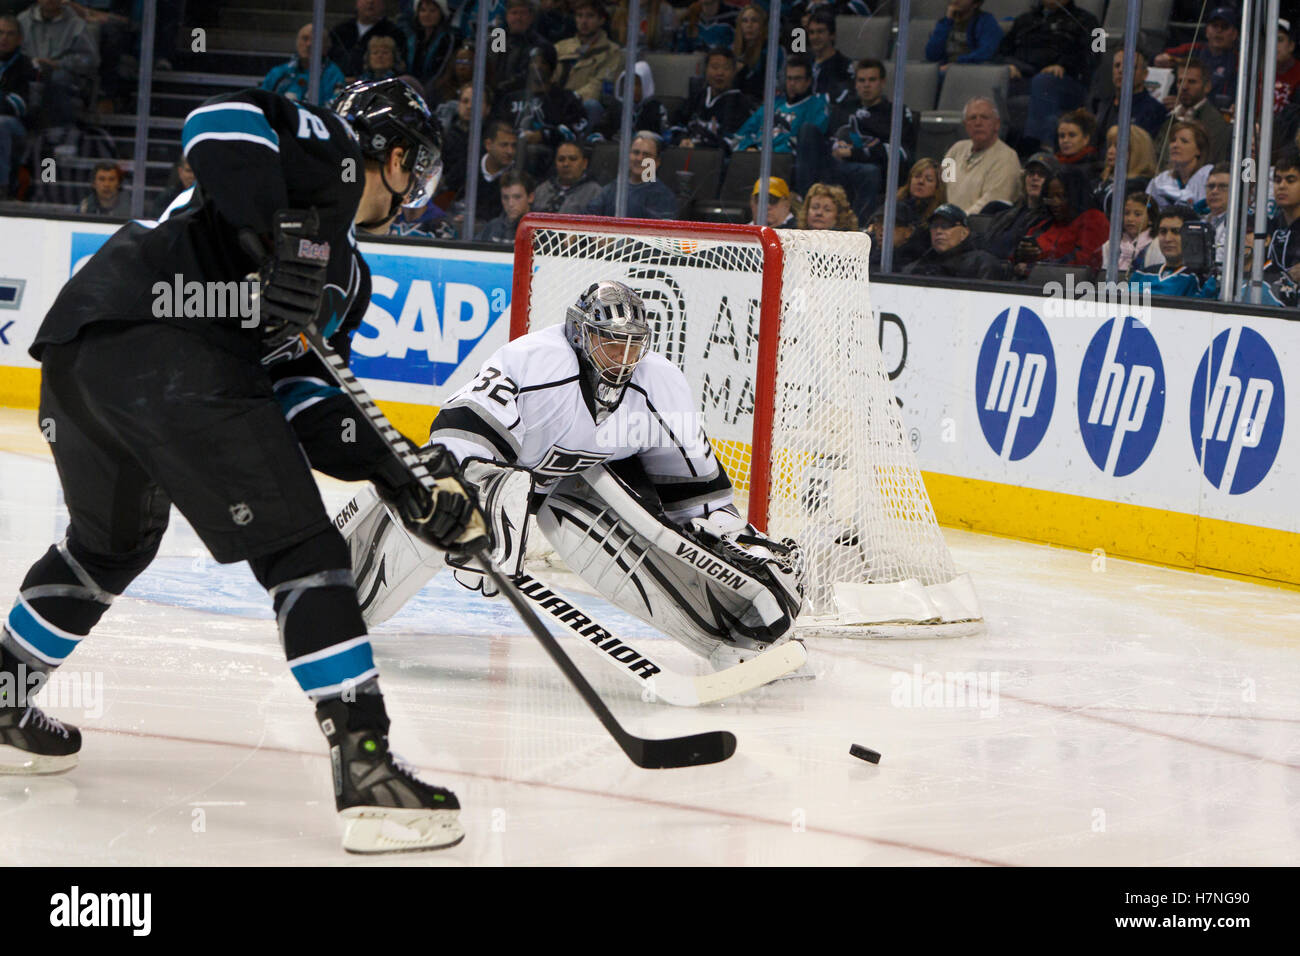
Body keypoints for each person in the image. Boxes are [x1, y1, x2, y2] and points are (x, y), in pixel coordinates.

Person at [0, 79, 485, 855]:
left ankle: (2, 699)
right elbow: (216, 120)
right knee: (306, 551)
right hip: (165, 342)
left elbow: (309, 402)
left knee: (108, 546)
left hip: (85, 354)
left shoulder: (347, 283)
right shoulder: (327, 153)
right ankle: (367, 774)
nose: (415, 187)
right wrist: (277, 232)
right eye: (416, 167)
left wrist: (407, 484)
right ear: (395, 157)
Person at [337, 280, 806, 674]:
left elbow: (697, 502)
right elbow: (455, 442)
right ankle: (333, 598)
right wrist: (472, 518)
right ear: (581, 335)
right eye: (610, 340)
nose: (622, 356)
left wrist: (736, 549)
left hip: (572, 493)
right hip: (489, 484)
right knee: (440, 497)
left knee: (622, 518)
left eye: (632, 342)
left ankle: (728, 636)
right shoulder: (535, 364)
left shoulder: (659, 385)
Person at [997, 0, 1101, 155]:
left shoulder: (1089, 21)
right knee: (997, 81)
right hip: (1026, 77)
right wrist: (1009, 65)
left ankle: (1039, 148)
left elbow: (1097, 54)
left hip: (1068, 82)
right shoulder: (1024, 20)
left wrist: (1064, 65)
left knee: (1044, 81)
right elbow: (1001, 51)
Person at [826, 58, 917, 221]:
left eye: (872, 80)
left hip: (874, 171)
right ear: (855, 84)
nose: (866, 85)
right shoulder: (843, 108)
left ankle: (860, 228)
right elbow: (830, 142)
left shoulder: (896, 112)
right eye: (861, 80)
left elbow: (904, 153)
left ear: (882, 82)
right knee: (808, 132)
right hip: (839, 167)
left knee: (870, 172)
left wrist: (854, 153)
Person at [730, 54, 828, 195]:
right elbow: (740, 136)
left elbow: (807, 143)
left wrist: (767, 151)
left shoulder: (816, 106)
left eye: (798, 79)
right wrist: (750, 146)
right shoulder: (772, 103)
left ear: (808, 81)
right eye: (789, 78)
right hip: (755, 159)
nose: (792, 83)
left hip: (783, 163)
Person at [496, 41, 588, 179]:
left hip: (547, 155)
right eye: (533, 62)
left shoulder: (565, 98)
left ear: (551, 66)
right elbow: (497, 126)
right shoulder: (511, 98)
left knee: (532, 152)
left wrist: (543, 135)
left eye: (543, 63)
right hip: (509, 149)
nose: (537, 66)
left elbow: (576, 128)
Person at [17, 0, 98, 127]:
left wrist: (59, 64)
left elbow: (90, 60)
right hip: (29, 73)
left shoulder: (77, 24)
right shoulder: (22, 21)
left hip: (64, 78)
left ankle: (62, 133)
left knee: (57, 79)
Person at [942, 96, 1022, 214]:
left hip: (979, 228)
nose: (978, 123)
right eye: (972, 118)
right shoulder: (956, 150)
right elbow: (943, 187)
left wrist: (955, 221)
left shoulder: (1007, 158)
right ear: (965, 125)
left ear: (997, 124)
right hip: (945, 223)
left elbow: (990, 206)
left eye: (984, 117)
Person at [554, 0, 624, 128]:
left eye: (590, 16)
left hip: (585, 104)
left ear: (601, 20)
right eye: (579, 16)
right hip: (559, 102)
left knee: (591, 105)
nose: (584, 21)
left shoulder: (612, 51)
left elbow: (598, 85)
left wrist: (572, 98)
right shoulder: (560, 47)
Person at [669, 46, 754, 150]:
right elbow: (676, 125)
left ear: (734, 72)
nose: (720, 73)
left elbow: (731, 144)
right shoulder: (697, 96)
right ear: (706, 70)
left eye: (726, 68)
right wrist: (682, 140)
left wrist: (699, 146)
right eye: (715, 67)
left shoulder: (740, 104)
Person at [1155, 5, 1238, 108]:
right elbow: (1160, 57)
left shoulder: (1239, 62)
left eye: (1224, 27)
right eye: (1214, 26)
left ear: (1235, 34)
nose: (1219, 31)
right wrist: (1161, 59)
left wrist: (1186, 104)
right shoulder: (1192, 48)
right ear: (1207, 31)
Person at [1026, 165, 1107, 271]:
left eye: (1061, 196)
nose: (1055, 203)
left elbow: (1083, 263)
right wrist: (1021, 254)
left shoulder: (1093, 219)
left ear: (1076, 195)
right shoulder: (1044, 224)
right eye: (1050, 198)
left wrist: (1034, 267)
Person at [1154, 59, 1229, 169]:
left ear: (1207, 86)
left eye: (1192, 82)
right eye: (1180, 81)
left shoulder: (1214, 123)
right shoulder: (1169, 118)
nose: (1184, 87)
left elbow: (1208, 163)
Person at [1129, 204, 1217, 298]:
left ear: (1193, 236)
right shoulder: (1141, 274)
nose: (1168, 239)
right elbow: (1128, 308)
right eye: (1163, 231)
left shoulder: (1201, 280)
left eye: (1176, 232)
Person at [981, 150, 1054, 262]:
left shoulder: (1049, 220)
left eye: (1042, 174)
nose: (1035, 178)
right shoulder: (1006, 214)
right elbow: (986, 242)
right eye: (1031, 173)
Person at [586, 131, 678, 218]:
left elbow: (658, 232)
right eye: (636, 152)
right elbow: (589, 218)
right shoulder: (612, 188)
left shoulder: (663, 196)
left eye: (646, 155)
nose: (639, 158)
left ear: (657, 162)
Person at [903, 202, 1002, 279]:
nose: (938, 231)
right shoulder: (919, 264)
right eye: (934, 226)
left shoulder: (982, 263)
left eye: (946, 226)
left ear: (964, 233)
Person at [1090, 50, 1168, 147]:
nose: (1121, 70)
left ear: (1145, 74)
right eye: (1117, 66)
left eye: (1129, 66)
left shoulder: (1155, 110)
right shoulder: (1103, 105)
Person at [261, 23, 347, 105]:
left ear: (326, 47)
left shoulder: (334, 76)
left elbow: (335, 109)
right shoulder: (279, 73)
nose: (309, 44)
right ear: (297, 42)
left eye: (315, 40)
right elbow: (262, 101)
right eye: (305, 38)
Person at [0, 14, 36, 200]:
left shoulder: (25, 65)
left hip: (19, 127)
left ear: (19, 39)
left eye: (10, 34)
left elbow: (18, 106)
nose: (4, 38)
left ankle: (2, 187)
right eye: (0, 33)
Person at [592, 60, 670, 141]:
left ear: (646, 84)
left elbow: (663, 135)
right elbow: (603, 128)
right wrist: (598, 136)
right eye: (629, 83)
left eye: (637, 84)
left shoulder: (656, 107)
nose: (633, 88)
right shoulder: (617, 106)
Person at [328, 0, 406, 79]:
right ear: (357, 3)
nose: (370, 2)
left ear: (384, 4)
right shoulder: (339, 31)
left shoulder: (395, 34)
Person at [1092, 123, 1157, 212]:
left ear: (1136, 151)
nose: (1110, 151)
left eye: (1117, 146)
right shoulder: (1100, 179)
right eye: (1109, 145)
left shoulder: (1139, 185)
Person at [1146, 120, 1212, 208]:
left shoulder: (1209, 176)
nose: (1175, 145)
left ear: (1198, 150)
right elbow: (1148, 211)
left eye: (1184, 141)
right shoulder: (1159, 181)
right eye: (1173, 140)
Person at [488, 0, 548, 95]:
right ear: (507, 16)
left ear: (531, 17)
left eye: (523, 13)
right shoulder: (498, 38)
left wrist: (502, 88)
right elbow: (491, 66)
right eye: (514, 13)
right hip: (494, 95)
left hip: (521, 96)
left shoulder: (538, 43)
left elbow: (528, 75)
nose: (518, 18)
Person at [924, 0, 1002, 72]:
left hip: (968, 70)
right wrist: (947, 21)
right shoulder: (945, 23)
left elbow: (985, 52)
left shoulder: (986, 21)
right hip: (944, 69)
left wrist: (957, 63)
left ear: (975, 4)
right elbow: (931, 55)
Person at [1100, 190, 1164, 276]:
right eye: (1126, 213)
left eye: (1137, 214)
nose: (1130, 219)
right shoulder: (1110, 245)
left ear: (1150, 219)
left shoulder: (1158, 245)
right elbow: (1104, 276)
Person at [403, 0, 458, 95]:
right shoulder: (412, 39)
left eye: (432, 11)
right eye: (423, 10)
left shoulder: (447, 39)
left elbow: (441, 72)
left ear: (441, 13)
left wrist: (425, 91)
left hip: (435, 92)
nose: (427, 15)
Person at [532, 139, 603, 212]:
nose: (566, 164)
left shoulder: (595, 193)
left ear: (584, 163)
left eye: (572, 159)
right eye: (561, 159)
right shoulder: (541, 190)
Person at [470, 118, 518, 222]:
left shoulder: (517, 174)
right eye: (504, 145)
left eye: (513, 145)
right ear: (488, 144)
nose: (510, 151)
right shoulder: (469, 166)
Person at [732, 2, 782, 100]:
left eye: (754, 21)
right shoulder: (734, 51)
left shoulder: (771, 52)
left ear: (763, 25)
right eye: (745, 21)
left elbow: (767, 86)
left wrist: (743, 70)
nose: (749, 25)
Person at [804, 9, 853, 104]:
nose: (815, 37)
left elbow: (843, 99)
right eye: (811, 32)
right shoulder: (804, 63)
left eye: (820, 31)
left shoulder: (844, 66)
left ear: (832, 35)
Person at [476, 169, 534, 243]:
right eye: (505, 197)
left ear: (530, 197)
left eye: (517, 197)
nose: (510, 204)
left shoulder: (542, 230)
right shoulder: (492, 228)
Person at [865, 203, 925, 270]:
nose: (883, 228)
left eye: (892, 224)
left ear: (909, 231)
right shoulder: (865, 251)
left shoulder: (915, 262)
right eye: (879, 222)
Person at [611, 0, 678, 51]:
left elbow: (667, 50)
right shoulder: (618, 12)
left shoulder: (666, 11)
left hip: (656, 62)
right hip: (625, 62)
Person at [1055, 108, 1101, 180]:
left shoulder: (1094, 169)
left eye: (1072, 135)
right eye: (1062, 136)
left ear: (1086, 139)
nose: (1065, 140)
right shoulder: (1053, 165)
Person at [896, 155, 947, 221]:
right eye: (917, 176)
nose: (921, 181)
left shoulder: (940, 216)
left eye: (929, 179)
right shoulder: (894, 206)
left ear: (937, 188)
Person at [150, 153, 195, 218]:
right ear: (180, 172)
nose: (192, 176)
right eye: (188, 171)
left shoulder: (208, 199)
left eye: (196, 172)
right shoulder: (166, 198)